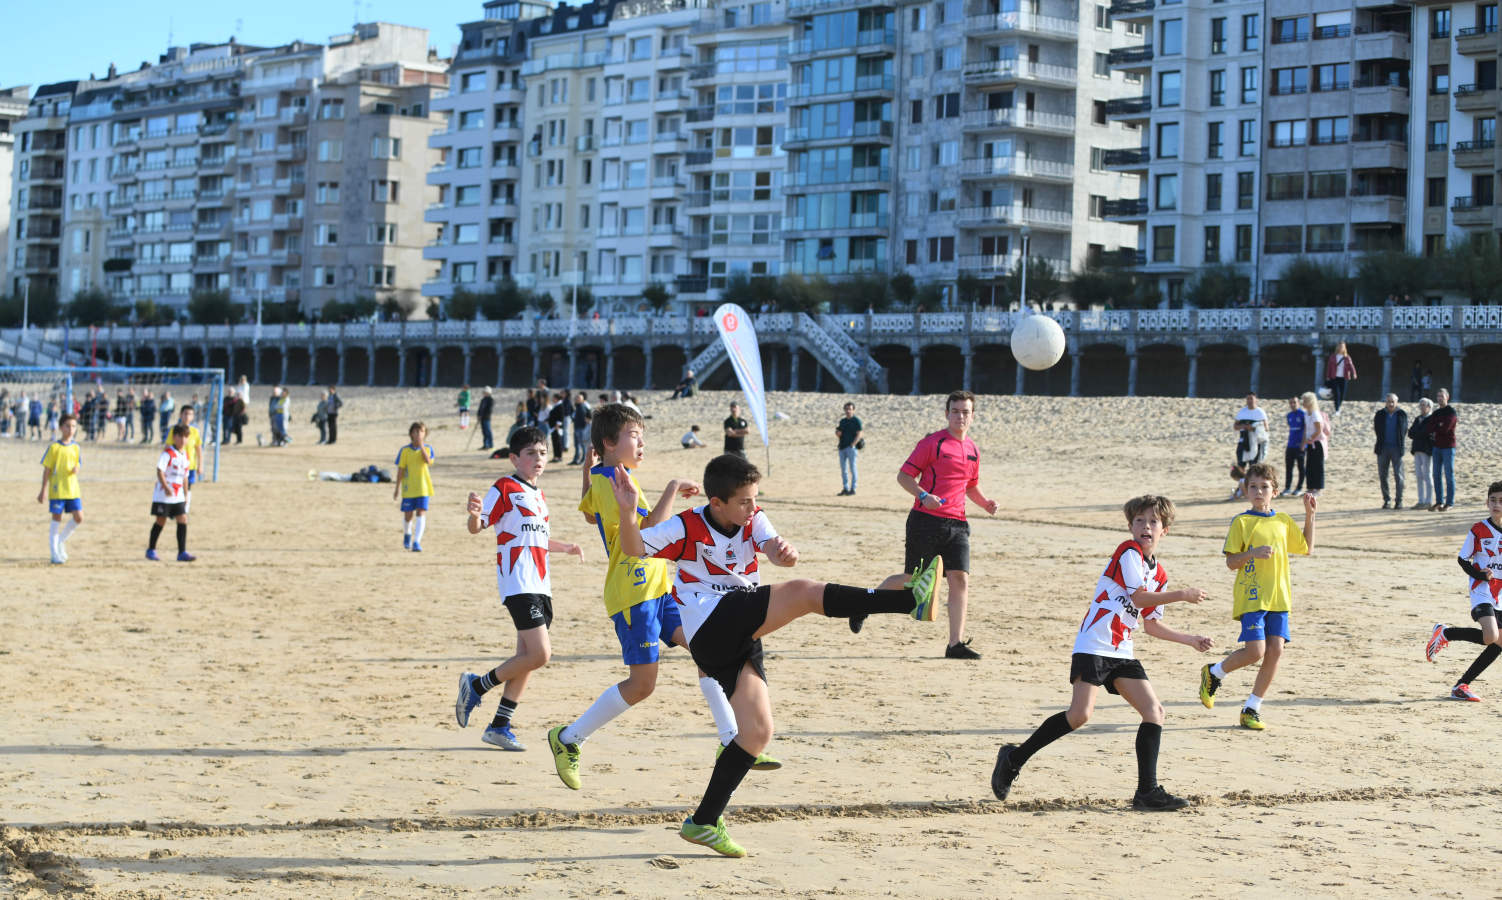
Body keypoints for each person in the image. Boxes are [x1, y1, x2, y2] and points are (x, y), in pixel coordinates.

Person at [609, 452, 944, 856]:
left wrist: (783, 552)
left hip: (739, 631)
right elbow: (633, 548)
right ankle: (908, 601)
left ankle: (704, 821)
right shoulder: (687, 524)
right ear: (717, 503)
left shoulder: (753, 518)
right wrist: (627, 511)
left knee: (757, 733)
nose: (752, 507)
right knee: (803, 592)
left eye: (755, 499)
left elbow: (772, 546)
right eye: (744, 502)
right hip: (710, 624)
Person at [546, 404, 758, 794]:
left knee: (708, 649)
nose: (641, 443)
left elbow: (591, 515)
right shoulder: (611, 481)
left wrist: (587, 472)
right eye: (634, 436)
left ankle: (730, 737)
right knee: (642, 685)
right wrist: (673, 487)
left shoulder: (609, 476)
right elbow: (649, 531)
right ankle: (568, 738)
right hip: (634, 593)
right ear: (609, 443)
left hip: (660, 588)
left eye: (643, 436)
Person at [991, 495, 1212, 812]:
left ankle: (1147, 792)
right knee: (1079, 715)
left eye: (1153, 521)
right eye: (1139, 520)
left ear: (1165, 530)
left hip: (1122, 651)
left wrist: (1190, 640)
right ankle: (1014, 758)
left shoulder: (1159, 574)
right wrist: (1182, 595)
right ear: (1130, 526)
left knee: (1154, 711)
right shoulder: (1128, 551)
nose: (1146, 526)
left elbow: (1151, 626)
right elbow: (1138, 598)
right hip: (1094, 644)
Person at [455, 426, 585, 750]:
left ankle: (499, 726)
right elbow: (478, 526)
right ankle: (477, 685)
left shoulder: (539, 495)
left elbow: (537, 539)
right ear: (514, 458)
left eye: (542, 452)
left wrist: (566, 547)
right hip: (517, 580)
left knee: (526, 658)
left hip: (541, 582)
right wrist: (473, 516)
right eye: (530, 453)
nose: (538, 458)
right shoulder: (504, 487)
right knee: (540, 654)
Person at [855, 390, 998, 659]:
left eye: (965, 412)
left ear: (973, 416)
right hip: (925, 521)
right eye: (955, 411)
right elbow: (904, 476)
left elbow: (970, 486)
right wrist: (923, 496)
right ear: (947, 414)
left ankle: (955, 644)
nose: (960, 417)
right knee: (912, 579)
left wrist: (986, 503)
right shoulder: (933, 443)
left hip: (958, 524)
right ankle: (863, 604)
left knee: (960, 579)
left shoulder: (973, 450)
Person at [1197, 462, 1317, 730]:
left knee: (1276, 651)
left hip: (1279, 597)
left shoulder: (1283, 520)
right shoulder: (1242, 521)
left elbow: (1306, 548)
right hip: (1252, 596)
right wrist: (1252, 553)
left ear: (1275, 491)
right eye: (1253, 486)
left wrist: (1310, 515)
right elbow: (1231, 562)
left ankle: (1252, 708)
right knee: (1256, 651)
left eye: (1264, 487)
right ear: (1246, 490)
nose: (1259, 491)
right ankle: (1214, 673)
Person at [1424, 481, 1502, 701]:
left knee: (1498, 643)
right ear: (1487, 503)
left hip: (1500, 594)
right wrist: (1479, 575)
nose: (1496, 504)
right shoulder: (1479, 529)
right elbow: (1462, 559)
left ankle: (1461, 686)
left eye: (1501, 501)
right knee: (1491, 636)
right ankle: (1447, 633)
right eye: (1493, 500)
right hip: (1481, 590)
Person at [38, 414, 83, 565]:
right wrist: (43, 490)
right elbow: (47, 470)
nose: (71, 429)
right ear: (61, 427)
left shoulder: (76, 447)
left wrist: (77, 469)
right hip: (58, 490)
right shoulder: (54, 447)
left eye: (73, 426)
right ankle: (54, 554)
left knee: (79, 517)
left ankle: (60, 541)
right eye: (67, 426)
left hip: (73, 489)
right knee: (56, 519)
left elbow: (78, 463)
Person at [147, 424, 196, 562]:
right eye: (180, 436)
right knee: (160, 521)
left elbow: (185, 477)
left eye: (186, 437)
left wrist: (185, 494)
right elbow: (160, 471)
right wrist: (166, 487)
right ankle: (151, 550)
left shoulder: (185, 455)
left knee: (183, 519)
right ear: (174, 437)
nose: (183, 439)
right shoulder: (168, 453)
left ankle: (182, 552)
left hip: (178, 495)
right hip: (164, 495)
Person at [395, 422, 436, 552]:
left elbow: (428, 461)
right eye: (416, 432)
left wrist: (421, 446)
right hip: (409, 488)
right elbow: (401, 469)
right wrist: (397, 488)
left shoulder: (428, 448)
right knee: (408, 515)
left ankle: (417, 541)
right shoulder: (405, 451)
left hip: (423, 488)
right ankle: (407, 534)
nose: (418, 434)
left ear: (425, 434)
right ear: (411, 434)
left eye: (421, 432)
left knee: (421, 512)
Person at [1424, 388, 1458, 511]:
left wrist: (1437, 426)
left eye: (1442, 396)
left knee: (1449, 475)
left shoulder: (1451, 412)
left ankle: (1450, 503)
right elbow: (1429, 428)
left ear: (1447, 397)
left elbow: (1445, 429)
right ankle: (1439, 501)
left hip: (1448, 447)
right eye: (1438, 396)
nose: (1439, 398)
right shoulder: (1436, 413)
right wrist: (1438, 425)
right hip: (1437, 447)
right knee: (1436, 475)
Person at [1373, 393, 1407, 509]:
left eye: (1393, 401)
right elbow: (1377, 429)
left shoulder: (1402, 414)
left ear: (1396, 402)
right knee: (1383, 475)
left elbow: (1404, 430)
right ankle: (1387, 500)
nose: (1391, 404)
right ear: (1386, 402)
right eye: (1389, 401)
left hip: (1397, 449)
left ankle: (1399, 500)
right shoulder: (1380, 414)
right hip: (1383, 448)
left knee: (1399, 475)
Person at [1232, 393, 1268, 500]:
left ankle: (1254, 488)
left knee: (1255, 467)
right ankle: (1242, 488)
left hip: (1256, 442)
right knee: (1240, 466)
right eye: (1248, 399)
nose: (1249, 401)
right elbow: (1235, 426)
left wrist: (1254, 428)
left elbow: (1266, 428)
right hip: (1244, 441)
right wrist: (1244, 426)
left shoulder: (1260, 412)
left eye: (1251, 399)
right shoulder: (1242, 412)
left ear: (1256, 399)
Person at [168, 405, 204, 512]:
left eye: (190, 414)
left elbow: (198, 449)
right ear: (180, 415)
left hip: (190, 466)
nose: (188, 416)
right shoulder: (174, 430)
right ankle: (174, 508)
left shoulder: (195, 431)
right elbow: (168, 447)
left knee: (187, 488)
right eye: (185, 414)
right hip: (176, 466)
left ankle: (184, 510)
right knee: (175, 486)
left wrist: (200, 465)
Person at [1299, 391, 1330, 498]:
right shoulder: (1306, 414)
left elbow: (1319, 430)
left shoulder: (1315, 414)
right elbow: (1306, 429)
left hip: (1317, 443)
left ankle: (1318, 489)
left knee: (1318, 466)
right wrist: (1303, 442)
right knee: (1310, 466)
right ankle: (1311, 488)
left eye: (1305, 401)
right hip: (1310, 443)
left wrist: (1310, 438)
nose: (1303, 403)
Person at [1409, 398, 1435, 510]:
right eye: (1420, 405)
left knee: (1427, 475)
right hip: (1417, 449)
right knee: (1419, 475)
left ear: (1429, 407)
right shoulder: (1418, 419)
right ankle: (1421, 500)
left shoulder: (1431, 419)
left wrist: (1418, 433)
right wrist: (1418, 433)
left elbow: (1426, 433)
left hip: (1426, 450)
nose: (1422, 407)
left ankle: (1428, 501)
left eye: (1424, 405)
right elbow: (1410, 433)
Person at [836, 401, 863, 497]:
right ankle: (845, 488)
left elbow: (859, 433)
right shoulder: (843, 421)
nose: (848, 411)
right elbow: (839, 433)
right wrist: (837, 433)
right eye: (846, 409)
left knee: (852, 468)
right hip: (842, 447)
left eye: (850, 409)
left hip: (851, 448)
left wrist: (853, 444)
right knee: (843, 469)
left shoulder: (856, 421)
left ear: (853, 410)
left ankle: (853, 488)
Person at [1280, 397, 1305, 497]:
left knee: (1301, 467)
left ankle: (1299, 488)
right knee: (1289, 467)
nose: (1293, 404)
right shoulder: (1289, 415)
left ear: (1298, 403)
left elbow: (1306, 429)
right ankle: (1287, 488)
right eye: (1291, 403)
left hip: (1300, 445)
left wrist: (1303, 444)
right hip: (1290, 445)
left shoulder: (1303, 414)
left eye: (1294, 402)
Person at [1325, 342, 1357, 415]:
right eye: (1340, 346)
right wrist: (1328, 376)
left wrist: (1354, 373)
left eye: (1342, 347)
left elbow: (1351, 366)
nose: (1341, 348)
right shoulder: (1333, 357)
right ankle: (1337, 410)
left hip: (1344, 378)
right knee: (1337, 394)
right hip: (1334, 377)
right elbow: (1329, 367)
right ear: (1337, 347)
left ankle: (1338, 407)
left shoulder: (1347, 357)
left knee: (1342, 395)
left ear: (1344, 348)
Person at [569, 392, 592, 465]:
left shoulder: (583, 407)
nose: (576, 399)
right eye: (576, 398)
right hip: (577, 428)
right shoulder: (577, 407)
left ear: (582, 400)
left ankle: (583, 460)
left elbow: (587, 417)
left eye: (578, 398)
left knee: (583, 445)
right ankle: (576, 459)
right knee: (577, 445)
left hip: (581, 429)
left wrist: (584, 427)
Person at [476, 386, 495, 451]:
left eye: (485, 392)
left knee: (488, 431)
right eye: (484, 392)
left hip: (486, 418)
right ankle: (485, 445)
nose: (484, 393)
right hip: (481, 418)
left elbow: (489, 410)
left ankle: (490, 445)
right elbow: (480, 409)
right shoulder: (483, 400)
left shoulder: (491, 400)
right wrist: (478, 415)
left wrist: (483, 415)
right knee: (484, 432)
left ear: (488, 392)